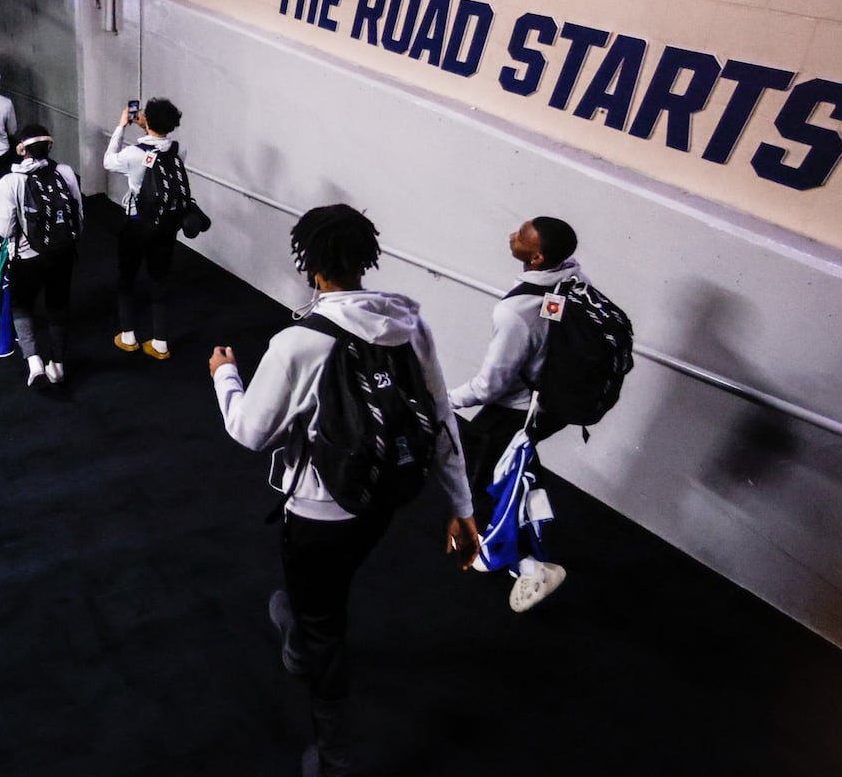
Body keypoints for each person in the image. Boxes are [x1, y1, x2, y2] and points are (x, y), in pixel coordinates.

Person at [208, 204, 478, 777]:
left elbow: (250, 432)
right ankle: (304, 625)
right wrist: (461, 507)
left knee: (323, 625)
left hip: (317, 510)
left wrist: (224, 376)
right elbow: (441, 417)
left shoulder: (297, 343)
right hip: (382, 498)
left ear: (310, 266)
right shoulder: (410, 324)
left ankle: (333, 756)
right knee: (322, 591)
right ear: (366, 260)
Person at [448, 215, 582, 613]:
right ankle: (520, 546)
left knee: (489, 480)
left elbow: (490, 386)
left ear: (537, 257)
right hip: (549, 405)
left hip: (514, 413)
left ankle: (529, 565)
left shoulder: (516, 314)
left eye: (522, 236)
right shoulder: (575, 280)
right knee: (517, 474)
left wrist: (445, 398)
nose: (512, 235)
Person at [0, 123, 82, 386]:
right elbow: (78, 215)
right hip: (62, 253)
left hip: (26, 257)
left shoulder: (10, 181)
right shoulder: (65, 172)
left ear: (21, 150)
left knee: (22, 305)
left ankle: (33, 360)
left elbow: (4, 228)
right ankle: (57, 365)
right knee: (58, 306)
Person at [103, 97, 183, 359]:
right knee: (159, 279)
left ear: (146, 120)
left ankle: (128, 336)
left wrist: (122, 127)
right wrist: (148, 128)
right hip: (166, 225)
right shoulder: (179, 151)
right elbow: (159, 147)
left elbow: (109, 161)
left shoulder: (132, 154)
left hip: (137, 223)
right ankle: (160, 342)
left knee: (127, 277)